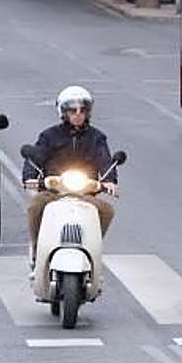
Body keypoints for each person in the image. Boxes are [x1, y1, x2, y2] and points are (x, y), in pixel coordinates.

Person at [22, 85, 118, 265]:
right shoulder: (49, 136)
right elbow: (35, 156)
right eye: (72, 110)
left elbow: (104, 159)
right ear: (63, 112)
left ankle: (92, 247)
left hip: (85, 193)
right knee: (35, 206)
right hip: (53, 192)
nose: (78, 114)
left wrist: (110, 180)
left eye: (83, 110)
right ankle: (37, 249)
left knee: (106, 210)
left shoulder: (97, 137)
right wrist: (30, 177)